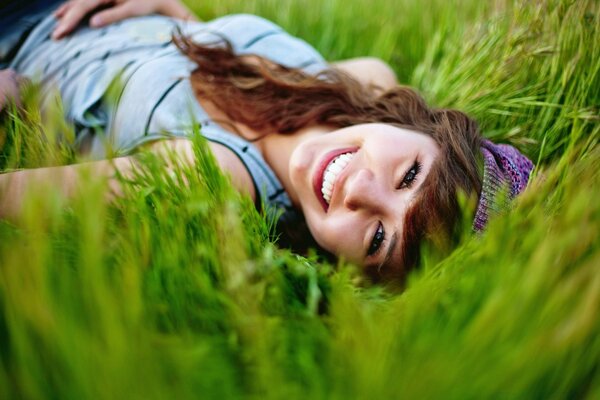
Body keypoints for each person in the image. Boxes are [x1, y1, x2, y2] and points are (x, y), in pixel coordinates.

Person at [0, 0, 534, 282]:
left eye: (377, 239)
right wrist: (172, 12)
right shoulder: (364, 79)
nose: (362, 189)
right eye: (410, 175)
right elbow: (209, 70)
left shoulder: (218, 176)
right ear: (426, 130)